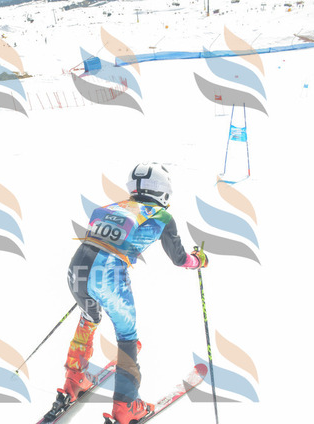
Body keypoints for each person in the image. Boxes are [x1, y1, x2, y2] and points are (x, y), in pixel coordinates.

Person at [58, 162, 208, 424]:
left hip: (76, 269)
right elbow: (179, 258)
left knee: (89, 316)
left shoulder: (114, 206)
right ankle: (126, 406)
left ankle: (74, 378)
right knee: (127, 336)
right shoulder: (162, 216)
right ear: (163, 190)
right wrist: (198, 260)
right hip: (108, 276)